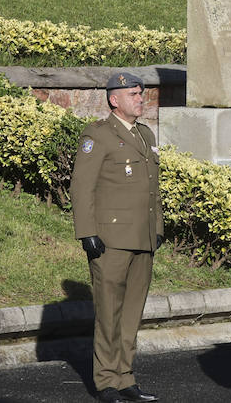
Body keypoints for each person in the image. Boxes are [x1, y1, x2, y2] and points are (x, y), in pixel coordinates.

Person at [71, 72, 163, 403]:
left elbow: (153, 187)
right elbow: (82, 187)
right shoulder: (98, 135)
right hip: (110, 239)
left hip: (143, 237)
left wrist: (158, 228)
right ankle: (106, 381)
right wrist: (87, 232)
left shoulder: (145, 133)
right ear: (114, 100)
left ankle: (126, 377)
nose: (141, 98)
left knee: (131, 313)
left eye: (141, 93)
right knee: (109, 312)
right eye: (134, 94)